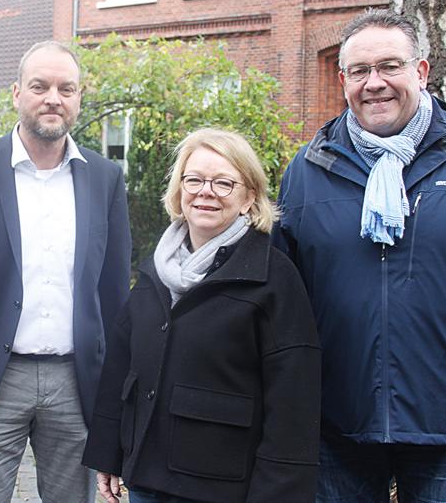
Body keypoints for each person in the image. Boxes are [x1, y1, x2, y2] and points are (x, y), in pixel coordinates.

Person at [272, 9, 446, 502]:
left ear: (422, 72)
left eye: (390, 66)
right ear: (343, 80)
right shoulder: (308, 168)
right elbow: (279, 307)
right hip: (336, 429)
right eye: (360, 71)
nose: (375, 83)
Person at [0, 40, 132, 502]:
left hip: (77, 383)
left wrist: (116, 402)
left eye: (66, 88)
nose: (53, 97)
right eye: (40, 85)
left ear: (78, 98)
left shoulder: (105, 178)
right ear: (17, 93)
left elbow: (114, 296)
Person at [83, 128, 321, 503]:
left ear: (249, 199)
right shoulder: (156, 270)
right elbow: (121, 365)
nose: (205, 191)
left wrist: (279, 491)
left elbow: (293, 400)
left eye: (224, 183)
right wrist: (108, 452)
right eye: (193, 180)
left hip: (221, 485)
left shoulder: (274, 278)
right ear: (179, 192)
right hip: (146, 477)